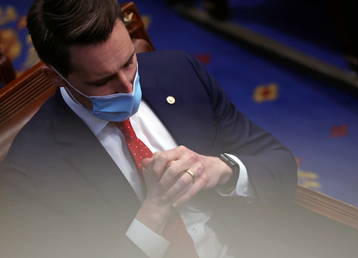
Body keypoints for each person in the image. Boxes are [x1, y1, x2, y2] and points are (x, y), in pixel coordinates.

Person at [0, 0, 299, 257]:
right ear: (55, 78)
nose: (128, 88)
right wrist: (153, 212)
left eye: (129, 62)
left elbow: (279, 162)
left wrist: (222, 170)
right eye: (102, 81)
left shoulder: (179, 72)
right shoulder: (31, 171)